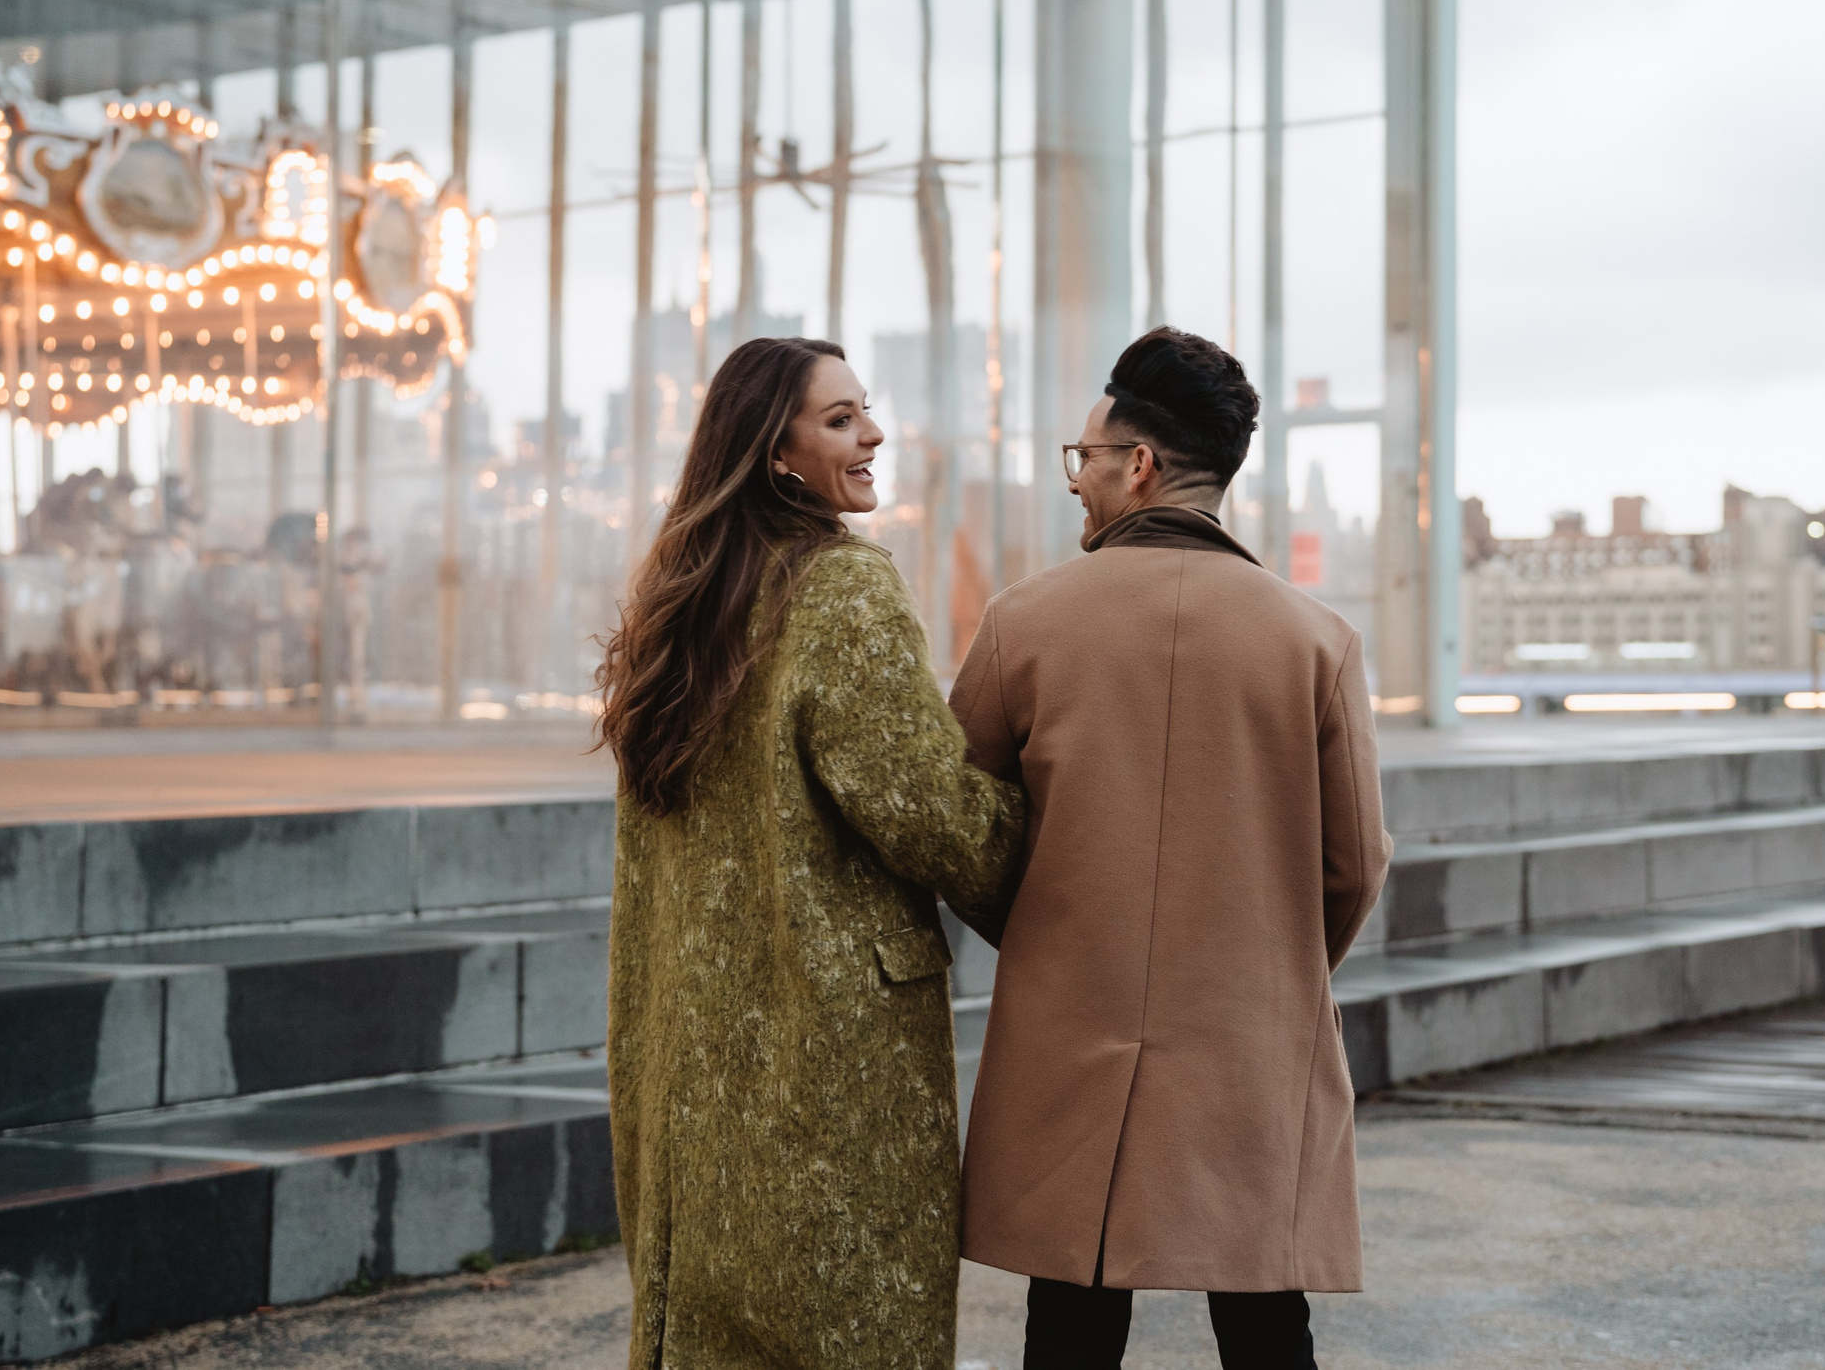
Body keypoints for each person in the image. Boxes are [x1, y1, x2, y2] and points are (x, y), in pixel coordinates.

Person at [949, 327, 1393, 1370]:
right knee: (1264, 1316)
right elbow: (1354, 863)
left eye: (1086, 460)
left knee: (1070, 1309)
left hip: (1073, 1021)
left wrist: (1045, 931)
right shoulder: (1314, 639)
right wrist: (1271, 966)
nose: (1078, 484)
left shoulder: (1025, 623)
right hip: (1249, 1028)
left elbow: (959, 826)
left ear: (1137, 465)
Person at [596, 336, 1026, 1370]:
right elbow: (935, 817)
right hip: (826, 1050)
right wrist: (1042, 803)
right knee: (848, 1320)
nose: (873, 432)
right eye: (840, 419)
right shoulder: (841, 590)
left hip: (687, 1046)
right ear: (774, 454)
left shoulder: (680, 605)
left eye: (864, 410)